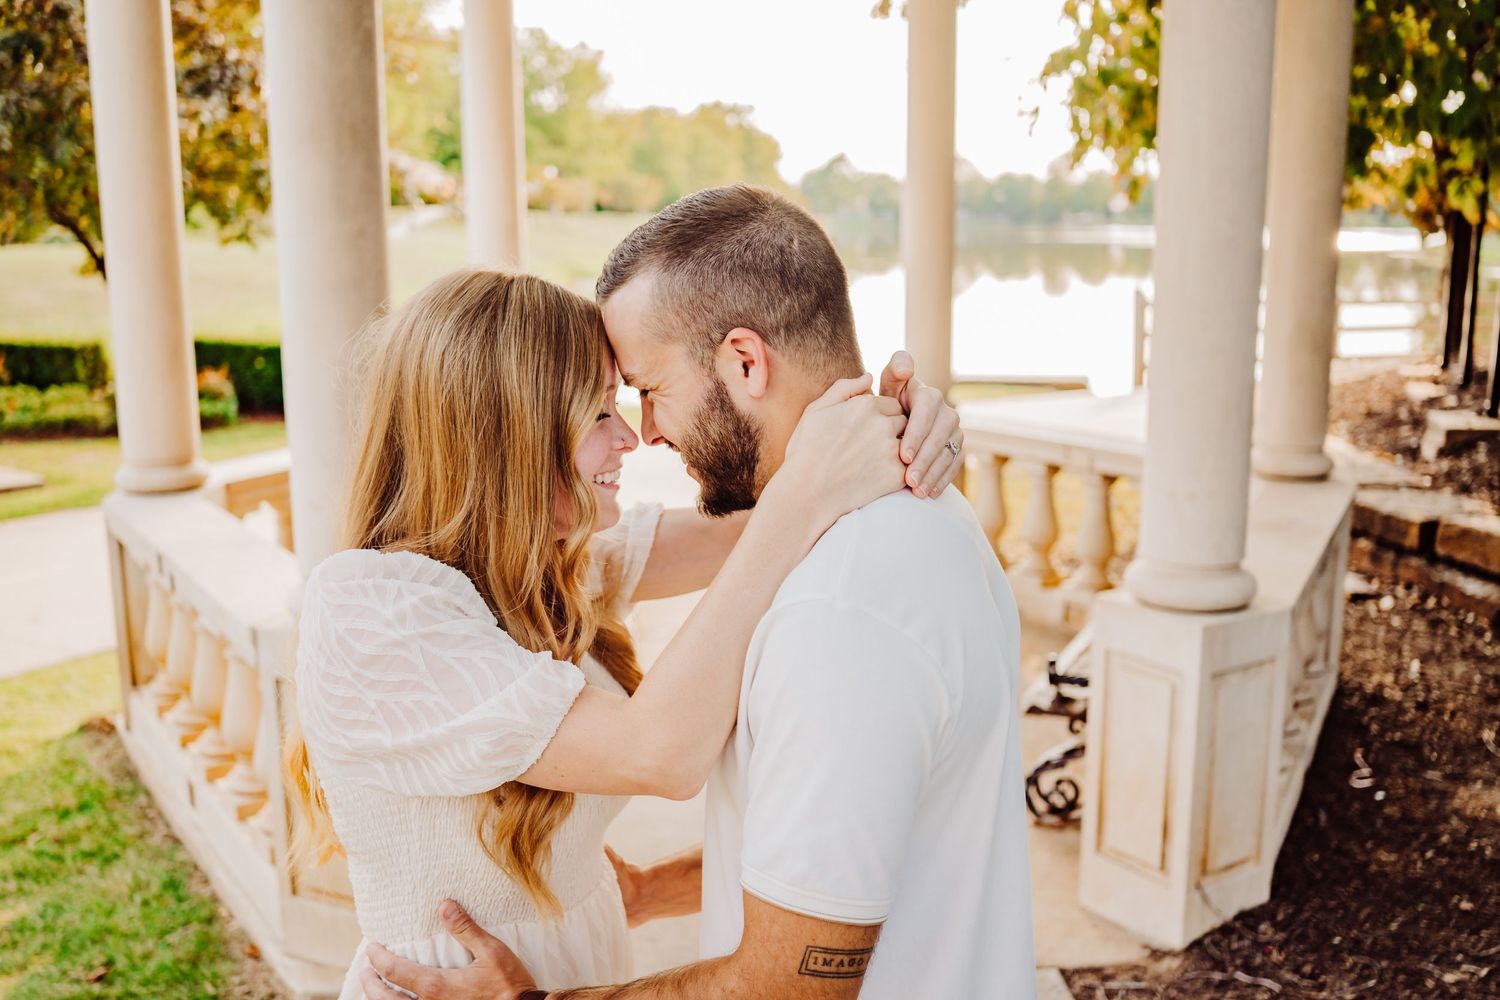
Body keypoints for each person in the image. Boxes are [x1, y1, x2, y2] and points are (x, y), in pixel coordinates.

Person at [361, 185, 1035, 1000]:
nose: (639, 434)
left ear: (746, 361)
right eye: (602, 409)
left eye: (642, 391)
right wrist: (876, 434)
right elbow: (797, 828)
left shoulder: (838, 613)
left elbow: (783, 986)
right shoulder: (901, 525)